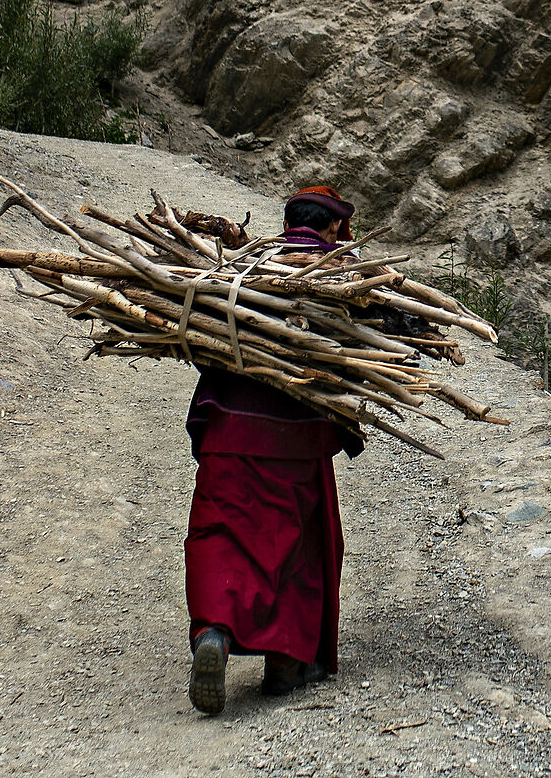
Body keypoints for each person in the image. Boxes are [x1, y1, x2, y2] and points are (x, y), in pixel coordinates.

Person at [185, 184, 364, 714]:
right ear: (331, 227)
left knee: (220, 531)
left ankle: (214, 629)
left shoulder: (242, 265)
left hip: (228, 428)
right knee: (294, 545)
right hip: (295, 438)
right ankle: (286, 664)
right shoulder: (341, 272)